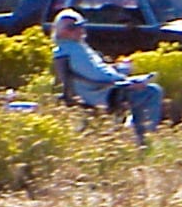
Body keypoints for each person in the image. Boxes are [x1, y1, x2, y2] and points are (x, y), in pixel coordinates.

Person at [52, 9, 163, 143]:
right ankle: (142, 137)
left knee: (143, 87)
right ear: (60, 31)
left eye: (79, 26)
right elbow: (97, 76)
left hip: (98, 90)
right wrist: (126, 80)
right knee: (152, 92)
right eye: (71, 28)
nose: (78, 30)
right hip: (101, 94)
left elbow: (95, 72)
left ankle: (133, 134)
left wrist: (120, 71)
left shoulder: (69, 48)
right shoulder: (74, 50)